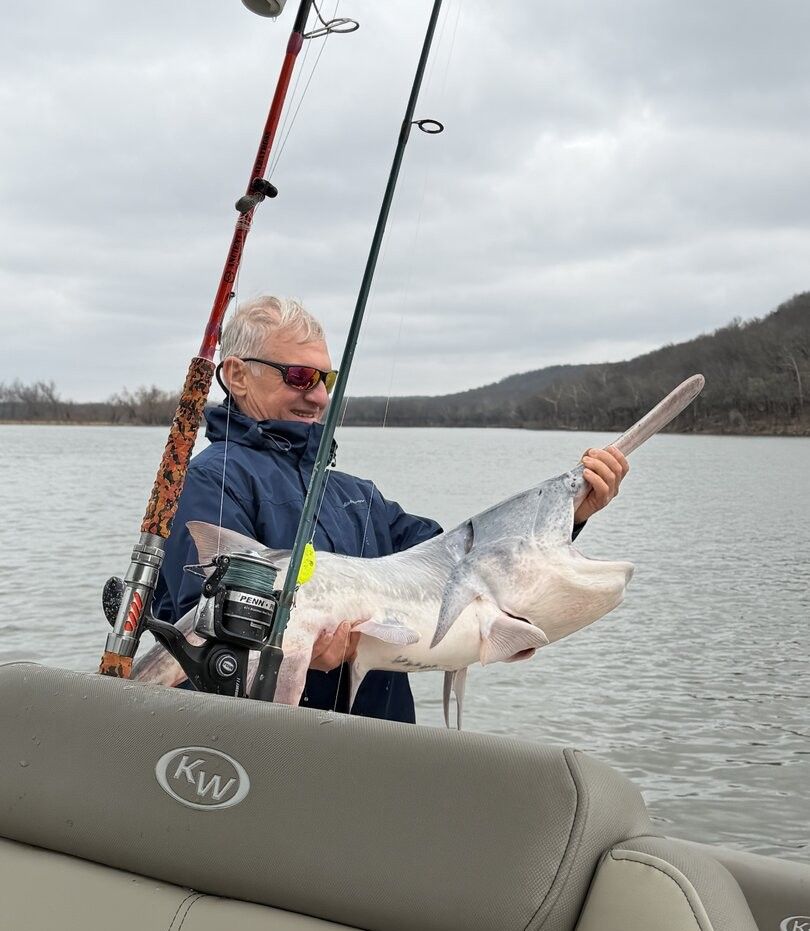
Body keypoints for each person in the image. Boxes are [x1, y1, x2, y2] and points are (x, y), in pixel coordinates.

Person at [152, 295, 628, 722]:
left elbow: (457, 562)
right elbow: (203, 626)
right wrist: (289, 647)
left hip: (380, 746)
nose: (318, 395)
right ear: (237, 375)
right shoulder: (211, 480)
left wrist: (569, 513)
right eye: (299, 375)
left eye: (326, 378)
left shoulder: (356, 495)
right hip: (269, 757)